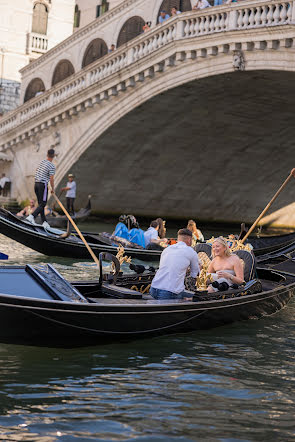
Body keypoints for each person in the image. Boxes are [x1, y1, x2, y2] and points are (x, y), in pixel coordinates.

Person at [150, 228, 200, 300]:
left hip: (153, 288)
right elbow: (195, 274)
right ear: (189, 239)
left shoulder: (167, 249)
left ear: (178, 239)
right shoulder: (191, 251)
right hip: (169, 292)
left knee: (185, 293)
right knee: (196, 297)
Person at [26, 148, 56, 228]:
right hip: (42, 185)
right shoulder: (52, 166)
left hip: (36, 184)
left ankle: (44, 222)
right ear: (53, 156)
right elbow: (51, 179)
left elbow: (37, 170)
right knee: (43, 204)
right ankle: (31, 216)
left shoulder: (42, 162)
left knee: (40, 204)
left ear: (47, 155)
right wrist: (53, 189)